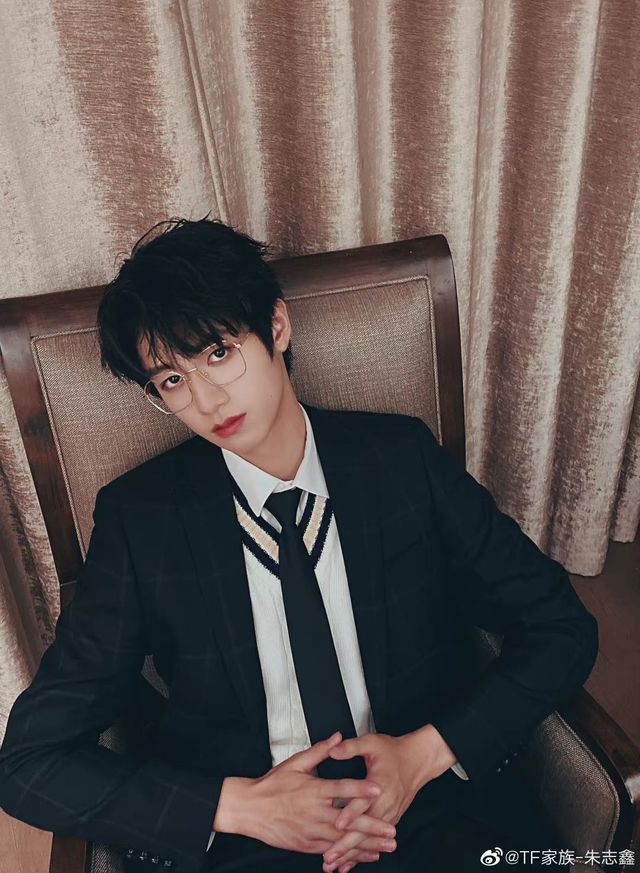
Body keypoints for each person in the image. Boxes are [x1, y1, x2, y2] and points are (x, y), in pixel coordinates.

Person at [0, 218, 599, 873]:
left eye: (218, 352)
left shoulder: (401, 460)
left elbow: (560, 625)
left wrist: (427, 752)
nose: (205, 399)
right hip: (246, 838)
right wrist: (238, 806)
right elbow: (29, 762)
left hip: (428, 805)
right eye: (171, 380)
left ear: (276, 326)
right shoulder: (140, 520)